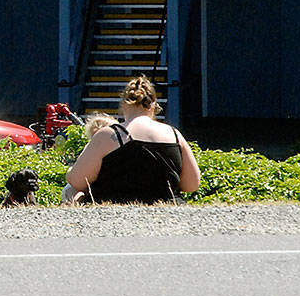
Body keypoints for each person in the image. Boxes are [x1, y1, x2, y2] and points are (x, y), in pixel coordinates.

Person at [64, 76, 201, 205]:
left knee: (70, 190)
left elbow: (78, 181)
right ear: (153, 106)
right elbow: (192, 184)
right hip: (167, 206)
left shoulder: (109, 134)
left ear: (123, 105)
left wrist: (70, 170)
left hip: (114, 204)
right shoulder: (174, 134)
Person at [60, 113, 118, 204]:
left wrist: (70, 172)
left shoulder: (91, 148)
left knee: (71, 189)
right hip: (103, 187)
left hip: (96, 187)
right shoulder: (118, 145)